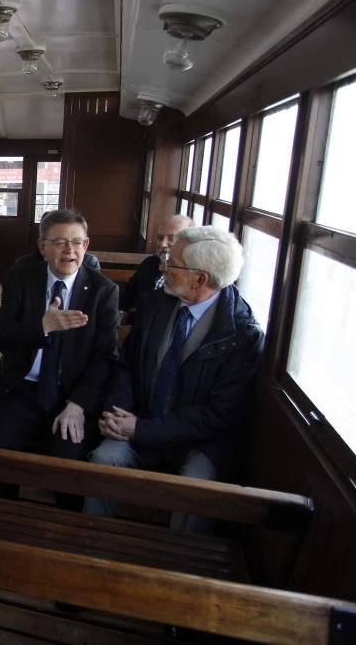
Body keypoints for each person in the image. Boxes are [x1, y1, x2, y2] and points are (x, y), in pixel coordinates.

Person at [85, 226, 264, 533]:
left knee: (198, 486)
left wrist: (143, 428)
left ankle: (179, 568)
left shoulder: (242, 335)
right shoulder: (156, 304)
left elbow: (219, 415)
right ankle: (93, 543)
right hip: (137, 421)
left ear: (200, 278)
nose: (164, 267)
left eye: (174, 262)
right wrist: (118, 414)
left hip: (197, 442)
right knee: (104, 458)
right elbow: (127, 365)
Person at [0, 209, 119, 506]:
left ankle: (62, 530)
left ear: (86, 245)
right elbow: (1, 338)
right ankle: (5, 515)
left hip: (71, 395)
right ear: (42, 246)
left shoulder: (102, 291)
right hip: (21, 388)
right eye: (59, 242)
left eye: (77, 242)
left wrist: (79, 404)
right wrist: (43, 326)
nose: (69, 250)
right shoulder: (21, 279)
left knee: (68, 469)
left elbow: (105, 358)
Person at [121, 214, 194, 321]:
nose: (163, 244)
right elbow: (127, 297)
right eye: (160, 238)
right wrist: (122, 313)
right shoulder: (150, 263)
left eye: (172, 238)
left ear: (189, 241)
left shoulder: (193, 273)